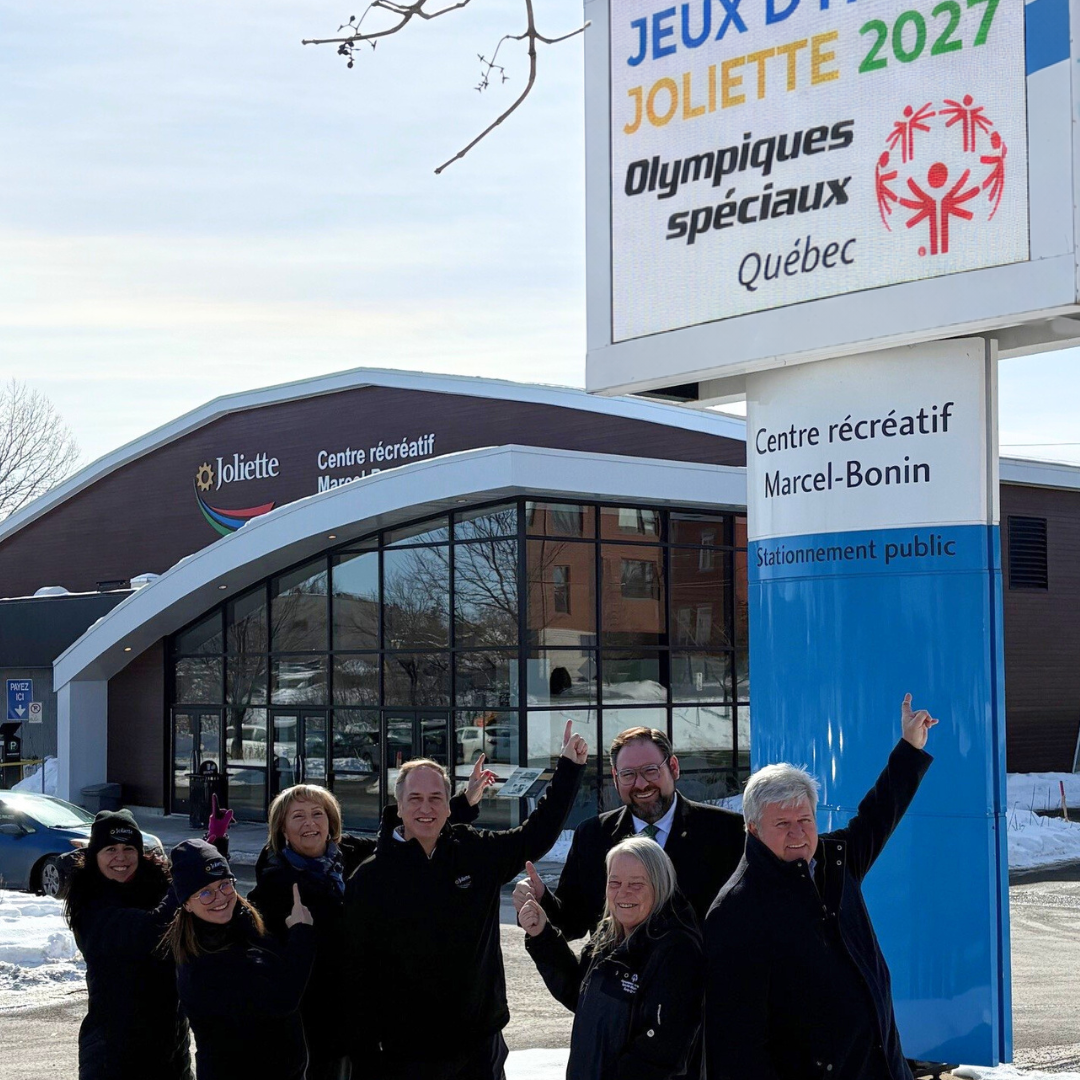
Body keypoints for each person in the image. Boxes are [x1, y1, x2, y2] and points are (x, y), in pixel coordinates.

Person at [704, 693, 938, 1080]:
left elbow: (879, 812)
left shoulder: (836, 861)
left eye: (806, 820)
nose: (798, 834)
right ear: (753, 829)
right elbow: (736, 1043)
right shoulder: (736, 910)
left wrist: (910, 748)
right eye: (782, 824)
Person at [344, 720, 589, 1080]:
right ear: (398, 806)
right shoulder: (369, 878)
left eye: (435, 799)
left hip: (479, 1045)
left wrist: (568, 769)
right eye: (415, 798)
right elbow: (355, 978)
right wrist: (366, 1055)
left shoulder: (474, 852)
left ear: (448, 806)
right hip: (404, 1053)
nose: (425, 808)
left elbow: (534, 836)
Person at [248, 757, 496, 1080]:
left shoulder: (349, 854)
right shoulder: (272, 891)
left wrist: (463, 803)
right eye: (298, 816)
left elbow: (407, 835)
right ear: (282, 828)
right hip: (315, 1037)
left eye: (317, 814)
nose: (310, 823)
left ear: (331, 820)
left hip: (367, 1027)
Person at [517, 726, 745, 940]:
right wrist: (540, 901)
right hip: (617, 978)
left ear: (673, 767)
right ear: (615, 778)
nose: (641, 784)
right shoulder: (593, 836)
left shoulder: (727, 831)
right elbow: (571, 924)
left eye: (650, 770)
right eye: (628, 774)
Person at [519, 835, 705, 1080]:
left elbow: (661, 1052)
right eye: (614, 883)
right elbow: (579, 994)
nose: (623, 893)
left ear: (660, 885)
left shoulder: (677, 951)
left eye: (636, 884)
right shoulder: (609, 934)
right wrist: (542, 935)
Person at [164, 839, 315, 1080]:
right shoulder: (203, 964)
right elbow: (282, 998)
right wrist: (301, 932)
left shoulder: (244, 924)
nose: (220, 897)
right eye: (205, 892)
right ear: (187, 905)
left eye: (225, 884)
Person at [63, 809, 193, 1080]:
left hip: (171, 1043)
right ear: (94, 855)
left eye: (128, 848)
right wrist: (186, 881)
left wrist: (214, 846)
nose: (120, 857)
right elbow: (150, 930)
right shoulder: (89, 904)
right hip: (113, 1050)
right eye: (110, 849)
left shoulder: (156, 886)